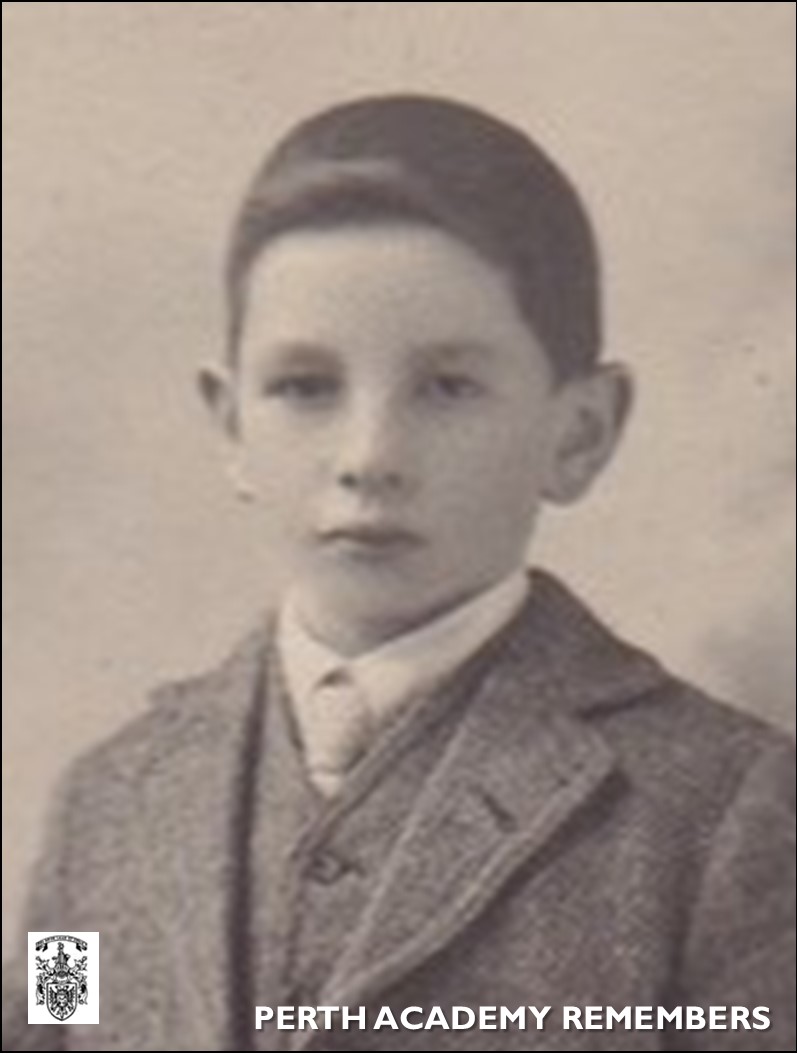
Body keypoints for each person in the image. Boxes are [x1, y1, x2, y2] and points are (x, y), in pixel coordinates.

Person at [4, 94, 794, 1052]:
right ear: (232, 426)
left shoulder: (719, 811)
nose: (369, 456)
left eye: (447, 388)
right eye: (305, 387)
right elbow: (52, 1036)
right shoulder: (105, 811)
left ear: (579, 432)